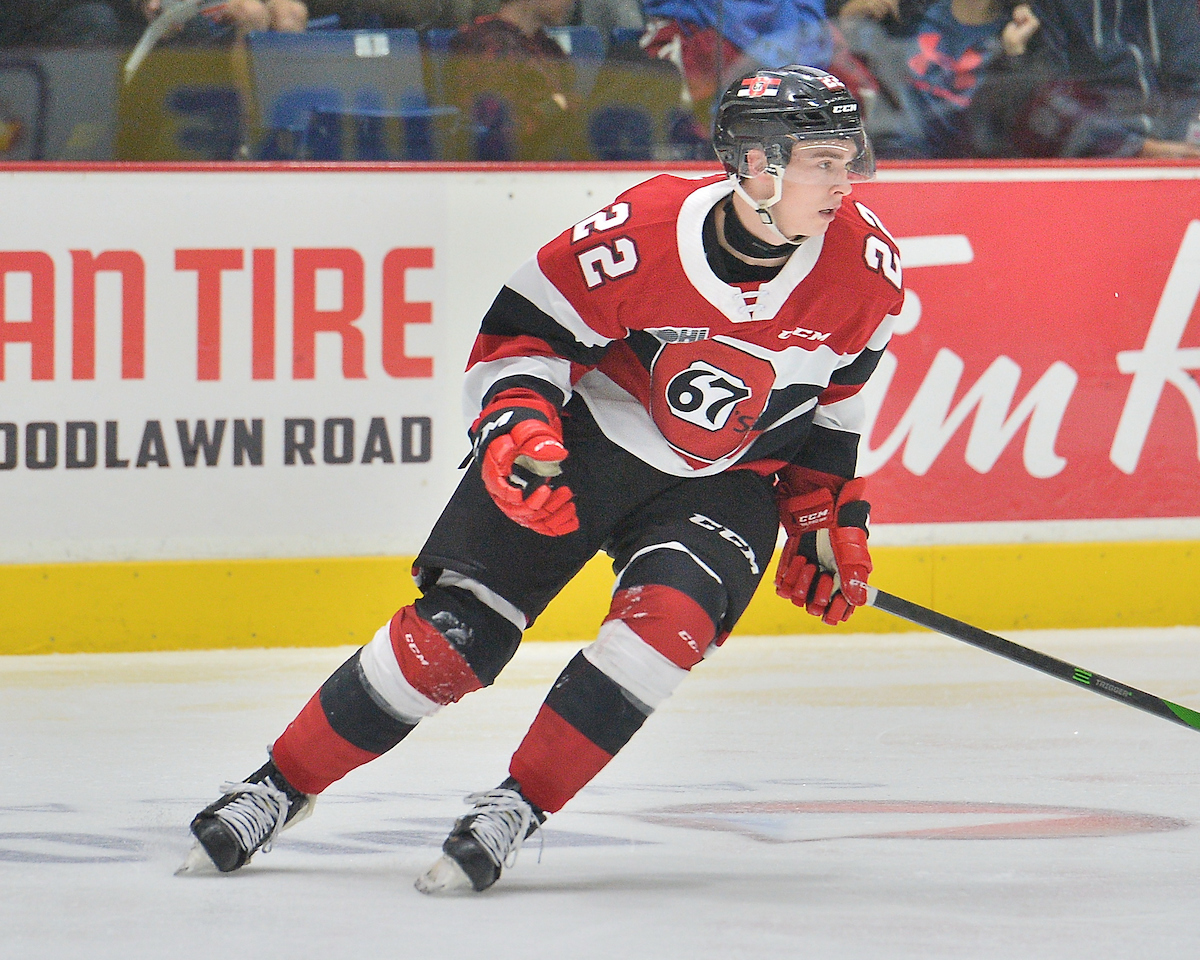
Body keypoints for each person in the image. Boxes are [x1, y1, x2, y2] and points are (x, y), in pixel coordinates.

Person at [178, 64, 904, 895]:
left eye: (850, 157)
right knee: (450, 639)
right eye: (823, 159)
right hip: (586, 444)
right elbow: (519, 342)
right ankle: (277, 786)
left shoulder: (868, 268)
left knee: (661, 632)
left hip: (725, 477)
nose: (845, 180)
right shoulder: (639, 234)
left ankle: (519, 806)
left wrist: (822, 516)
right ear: (754, 164)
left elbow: (836, 406)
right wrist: (518, 426)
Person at [965, 0, 1200, 158]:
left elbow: (1190, 86)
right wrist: (1139, 150)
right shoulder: (1045, 8)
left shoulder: (1175, 6)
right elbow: (1043, 101)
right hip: (1084, 170)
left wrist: (1179, 151)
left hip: (1172, 169)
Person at [885, 0, 1040, 157]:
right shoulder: (914, 11)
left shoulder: (1020, 34)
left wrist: (1014, 54)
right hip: (892, 149)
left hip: (961, 162)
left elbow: (1008, 127)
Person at [444, 0, 583, 159]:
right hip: (508, 173)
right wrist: (559, 103)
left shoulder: (548, 47)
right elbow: (501, 133)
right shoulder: (486, 46)